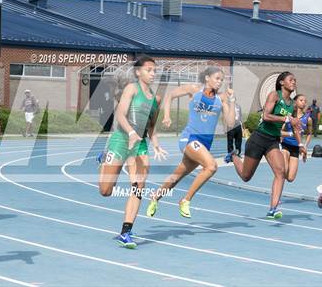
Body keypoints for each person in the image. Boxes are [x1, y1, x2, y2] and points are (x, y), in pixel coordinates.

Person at [146, 66, 235, 219]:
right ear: (207, 78)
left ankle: (155, 197)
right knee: (211, 166)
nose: (220, 82)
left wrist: (232, 101)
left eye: (222, 80)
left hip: (205, 144)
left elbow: (230, 123)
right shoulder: (194, 90)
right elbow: (169, 96)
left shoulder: (222, 98)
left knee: (176, 177)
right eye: (217, 78)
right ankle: (185, 200)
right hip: (190, 138)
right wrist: (166, 116)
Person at [98, 56, 167, 249]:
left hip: (139, 145)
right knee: (105, 191)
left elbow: (152, 127)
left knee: (139, 186)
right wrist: (130, 132)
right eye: (149, 70)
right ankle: (104, 159)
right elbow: (120, 114)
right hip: (121, 140)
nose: (153, 74)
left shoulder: (156, 99)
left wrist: (156, 145)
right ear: (138, 72)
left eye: (154, 70)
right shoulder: (131, 89)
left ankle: (126, 231)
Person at [225, 71, 305, 219]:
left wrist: (301, 144)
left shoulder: (293, 104)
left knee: (280, 172)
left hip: (272, 141)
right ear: (282, 82)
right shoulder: (274, 95)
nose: (294, 82)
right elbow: (266, 116)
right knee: (245, 176)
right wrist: (287, 119)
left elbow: (294, 126)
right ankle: (234, 156)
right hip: (259, 138)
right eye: (291, 80)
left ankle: (273, 209)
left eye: (295, 80)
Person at [280, 94, 312, 183]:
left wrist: (305, 146)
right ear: (295, 102)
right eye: (301, 100)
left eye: (305, 101)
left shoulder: (308, 119)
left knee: (290, 178)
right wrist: (291, 134)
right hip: (285, 146)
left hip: (296, 148)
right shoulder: (289, 116)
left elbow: (309, 133)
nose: (304, 103)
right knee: (283, 171)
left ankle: (280, 171)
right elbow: (280, 132)